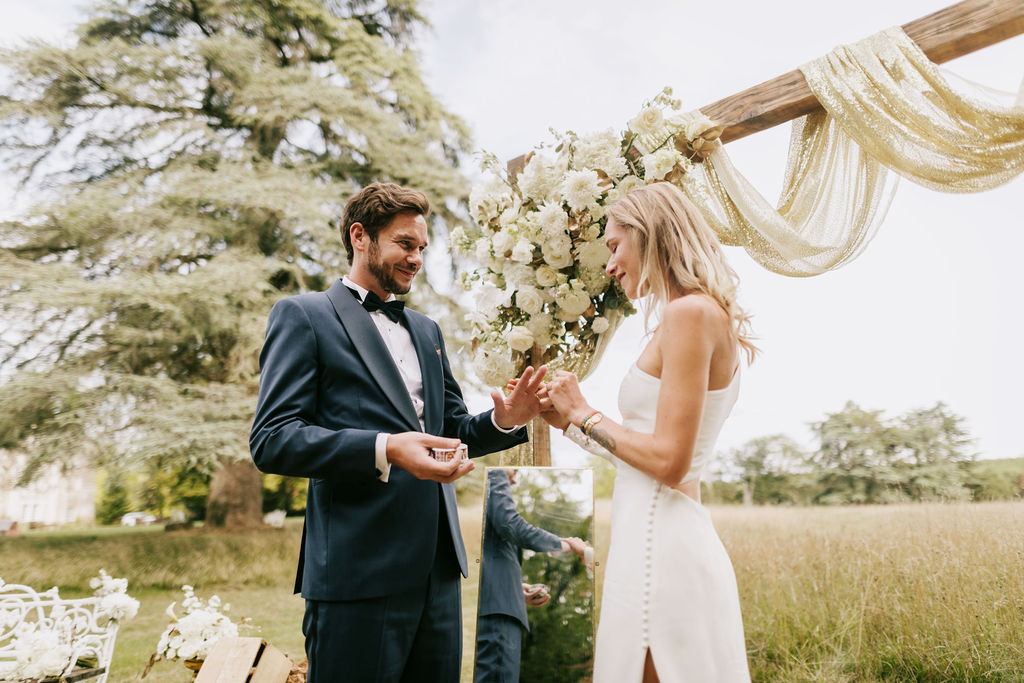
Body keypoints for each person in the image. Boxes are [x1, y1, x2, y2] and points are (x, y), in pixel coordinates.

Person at [249, 182, 548, 683]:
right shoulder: (304, 316)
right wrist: (385, 448)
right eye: (405, 245)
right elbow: (273, 438)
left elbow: (451, 430)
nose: (416, 259)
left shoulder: (427, 331)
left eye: (422, 249)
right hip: (357, 570)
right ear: (360, 236)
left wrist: (506, 420)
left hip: (438, 572)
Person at [538, 182, 756, 682]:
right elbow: (646, 454)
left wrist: (586, 411)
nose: (610, 265)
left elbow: (670, 464)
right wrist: (570, 423)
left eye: (615, 246)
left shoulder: (690, 313)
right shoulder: (689, 316)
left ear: (651, 233)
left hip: (665, 549)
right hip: (647, 540)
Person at [474, 468, 590, 683]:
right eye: (515, 470)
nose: (515, 478)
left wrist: (516, 588)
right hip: (499, 611)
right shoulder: (495, 474)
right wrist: (566, 544)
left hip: (497, 604)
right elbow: (512, 526)